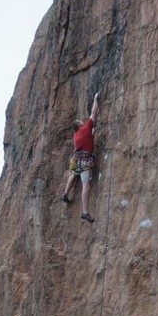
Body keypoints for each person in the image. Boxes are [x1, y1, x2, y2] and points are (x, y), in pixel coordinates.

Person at [62, 92, 100, 223]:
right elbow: (93, 112)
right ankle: (85, 212)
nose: (82, 121)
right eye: (80, 121)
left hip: (75, 158)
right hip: (84, 159)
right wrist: (95, 98)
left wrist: (92, 134)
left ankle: (65, 193)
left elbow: (87, 138)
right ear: (79, 125)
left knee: (73, 174)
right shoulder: (85, 128)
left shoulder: (76, 135)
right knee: (86, 185)